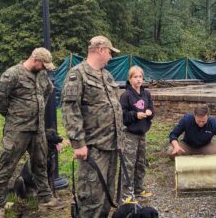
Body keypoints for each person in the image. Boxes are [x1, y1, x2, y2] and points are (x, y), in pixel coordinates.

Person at [0, 47, 66, 218]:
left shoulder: (42, 75)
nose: (46, 68)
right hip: (17, 130)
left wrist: (37, 111)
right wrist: (14, 116)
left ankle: (45, 197)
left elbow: (48, 90)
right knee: (7, 166)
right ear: (35, 60)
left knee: (40, 164)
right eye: (44, 65)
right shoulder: (12, 75)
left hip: (37, 130)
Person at [61, 35, 125, 218]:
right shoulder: (77, 74)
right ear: (101, 50)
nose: (111, 57)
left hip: (112, 145)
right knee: (91, 197)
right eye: (110, 53)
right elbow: (70, 109)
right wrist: (78, 143)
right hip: (93, 148)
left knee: (108, 195)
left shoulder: (107, 75)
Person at [119, 66, 154, 202]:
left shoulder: (147, 94)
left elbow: (151, 109)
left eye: (140, 77)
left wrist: (150, 113)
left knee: (141, 163)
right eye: (135, 77)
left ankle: (139, 189)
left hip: (142, 134)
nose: (138, 79)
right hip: (130, 135)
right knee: (128, 164)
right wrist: (135, 115)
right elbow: (122, 115)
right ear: (130, 79)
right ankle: (126, 195)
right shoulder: (126, 95)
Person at [167, 104, 216, 174]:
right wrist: (176, 146)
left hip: (205, 146)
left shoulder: (213, 124)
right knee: (171, 152)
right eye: (198, 121)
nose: (201, 124)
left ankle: (205, 168)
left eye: (203, 121)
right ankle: (188, 166)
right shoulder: (187, 119)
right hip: (188, 145)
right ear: (194, 115)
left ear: (208, 117)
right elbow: (173, 134)